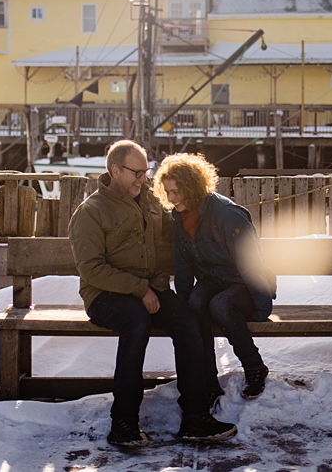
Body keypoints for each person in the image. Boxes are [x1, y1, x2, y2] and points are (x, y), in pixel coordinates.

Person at [67, 139, 237, 447]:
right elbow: (92, 270)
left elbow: (173, 237)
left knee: (187, 322)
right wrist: (139, 289)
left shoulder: (150, 202)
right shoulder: (90, 212)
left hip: (150, 290)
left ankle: (196, 417)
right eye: (137, 172)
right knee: (136, 321)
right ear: (115, 170)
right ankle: (123, 422)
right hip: (105, 295)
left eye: (146, 171)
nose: (143, 179)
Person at [154, 152, 276, 402]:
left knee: (220, 305)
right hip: (213, 281)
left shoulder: (226, 214)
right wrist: (186, 305)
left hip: (243, 284)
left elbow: (251, 264)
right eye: (168, 192)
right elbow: (184, 265)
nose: (172, 198)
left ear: (192, 186)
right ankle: (207, 379)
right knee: (198, 303)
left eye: (176, 191)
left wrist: (262, 306)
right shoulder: (180, 218)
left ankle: (254, 367)